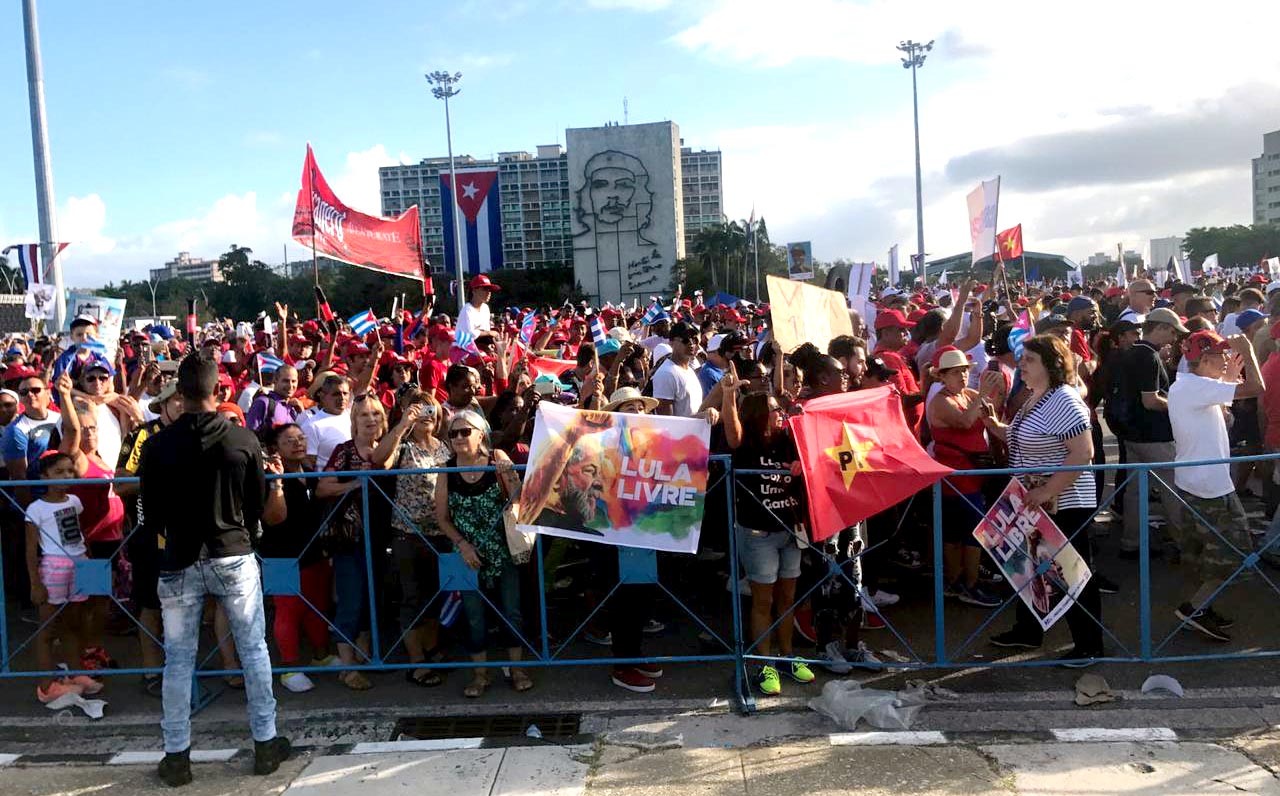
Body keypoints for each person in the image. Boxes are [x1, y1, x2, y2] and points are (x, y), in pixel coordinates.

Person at [139, 353, 289, 787]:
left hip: (179, 557)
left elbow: (150, 514)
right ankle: (265, 743)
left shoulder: (157, 445)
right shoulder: (241, 439)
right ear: (219, 390)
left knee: (178, 660)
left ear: (179, 393)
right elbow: (257, 504)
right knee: (253, 650)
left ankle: (177, 755)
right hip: (233, 553)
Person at [986, 335, 1103, 665]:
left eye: (1030, 360)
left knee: (1072, 574)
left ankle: (1090, 646)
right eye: (1022, 359)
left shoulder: (1064, 399)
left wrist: (1048, 490)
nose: (1021, 365)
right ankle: (1028, 631)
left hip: (1065, 502)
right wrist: (992, 424)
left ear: (1051, 365)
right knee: (1029, 569)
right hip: (1034, 500)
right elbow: (1020, 437)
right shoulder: (1035, 396)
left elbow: (1083, 452)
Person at [720, 363, 816, 695]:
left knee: (787, 599)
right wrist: (729, 396)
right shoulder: (747, 444)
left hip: (790, 531)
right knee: (763, 600)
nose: (780, 414)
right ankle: (764, 663)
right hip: (757, 535)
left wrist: (801, 462)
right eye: (774, 410)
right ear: (759, 415)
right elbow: (732, 433)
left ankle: (787, 657)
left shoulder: (786, 440)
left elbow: (811, 454)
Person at [1167, 330, 1265, 642]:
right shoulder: (1195, 386)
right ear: (1203, 360)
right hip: (1209, 487)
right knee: (1233, 555)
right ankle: (1193, 609)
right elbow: (1257, 388)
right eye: (1220, 356)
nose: (1226, 360)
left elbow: (1225, 400)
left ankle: (1201, 606)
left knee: (1207, 555)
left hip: (1202, 483)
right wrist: (1248, 350)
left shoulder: (1190, 385)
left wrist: (1229, 378)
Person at [434, 410, 529, 698]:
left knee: (511, 610)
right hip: (466, 553)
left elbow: (519, 498)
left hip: (502, 548)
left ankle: (517, 669)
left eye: (465, 431)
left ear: (481, 434)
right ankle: (480, 675)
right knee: (473, 615)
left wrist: (510, 475)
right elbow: (442, 518)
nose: (459, 437)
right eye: (453, 433)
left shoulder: (496, 459)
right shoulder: (446, 470)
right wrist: (462, 544)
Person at [315, 395, 399, 690]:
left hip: (380, 535)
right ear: (354, 421)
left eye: (376, 414)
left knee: (373, 596)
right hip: (349, 537)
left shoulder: (389, 449)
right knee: (350, 599)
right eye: (364, 414)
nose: (371, 419)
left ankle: (365, 654)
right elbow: (322, 487)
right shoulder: (344, 451)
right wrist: (354, 482)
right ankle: (348, 666)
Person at [55, 374, 126, 674]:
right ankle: (82, 654)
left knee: (101, 602)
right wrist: (66, 396)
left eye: (93, 428)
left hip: (111, 540)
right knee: (89, 603)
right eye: (84, 429)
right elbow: (71, 429)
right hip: (90, 542)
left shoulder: (100, 457)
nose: (89, 433)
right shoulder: (77, 460)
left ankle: (93, 648)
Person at [925, 347, 1002, 608]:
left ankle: (959, 581)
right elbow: (965, 422)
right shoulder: (941, 402)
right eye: (956, 372)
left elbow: (989, 417)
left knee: (963, 532)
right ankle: (967, 584)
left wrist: (992, 394)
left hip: (973, 475)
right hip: (956, 478)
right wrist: (981, 395)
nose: (963, 376)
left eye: (965, 371)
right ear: (942, 376)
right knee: (965, 532)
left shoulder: (967, 395)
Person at [385, 390, 452, 687]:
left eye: (430, 409)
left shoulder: (445, 447)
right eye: (420, 409)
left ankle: (432, 647)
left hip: (440, 534)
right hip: (408, 534)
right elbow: (381, 461)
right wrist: (403, 425)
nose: (426, 414)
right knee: (411, 597)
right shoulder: (403, 446)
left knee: (435, 595)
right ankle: (416, 662)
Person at [259, 423, 333, 694]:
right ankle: (289, 668)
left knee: (317, 605)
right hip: (282, 555)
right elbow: (272, 518)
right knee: (288, 611)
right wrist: (277, 483)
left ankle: (321, 655)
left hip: (314, 552)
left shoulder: (311, 473)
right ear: (275, 448)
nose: (298, 444)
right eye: (289, 441)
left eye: (301, 438)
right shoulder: (268, 477)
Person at [1113, 308, 1190, 560]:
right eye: (1173, 332)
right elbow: (1150, 400)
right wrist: (1178, 404)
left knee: (1135, 492)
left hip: (1132, 432)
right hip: (1154, 435)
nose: (1174, 338)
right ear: (1160, 328)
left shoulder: (1131, 352)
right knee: (1172, 490)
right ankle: (1184, 544)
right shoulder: (1149, 356)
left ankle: (1131, 542)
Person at [25, 451, 100, 703]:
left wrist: (90, 564)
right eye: (59, 472)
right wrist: (35, 583)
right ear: (44, 476)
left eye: (70, 470)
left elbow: (81, 535)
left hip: (79, 563)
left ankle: (75, 673)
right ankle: (46, 685)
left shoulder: (75, 501)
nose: (66, 476)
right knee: (48, 628)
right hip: (54, 568)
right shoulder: (36, 509)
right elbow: (30, 550)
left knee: (73, 624)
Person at [651, 321, 703, 417]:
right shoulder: (666, 374)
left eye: (694, 339)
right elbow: (666, 421)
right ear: (671, 343)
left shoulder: (689, 370)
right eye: (685, 339)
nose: (691, 343)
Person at [245, 365, 300, 434]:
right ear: (275, 380)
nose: (290, 385)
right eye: (286, 381)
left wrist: (302, 413)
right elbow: (250, 435)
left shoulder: (294, 408)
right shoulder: (263, 402)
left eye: (294, 381)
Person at [456, 274, 499, 342]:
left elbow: (485, 333)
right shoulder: (467, 310)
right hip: (463, 347)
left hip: (479, 345)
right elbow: (469, 335)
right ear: (474, 291)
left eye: (489, 290)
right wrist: (488, 333)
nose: (489, 293)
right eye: (485, 289)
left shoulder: (485, 308)